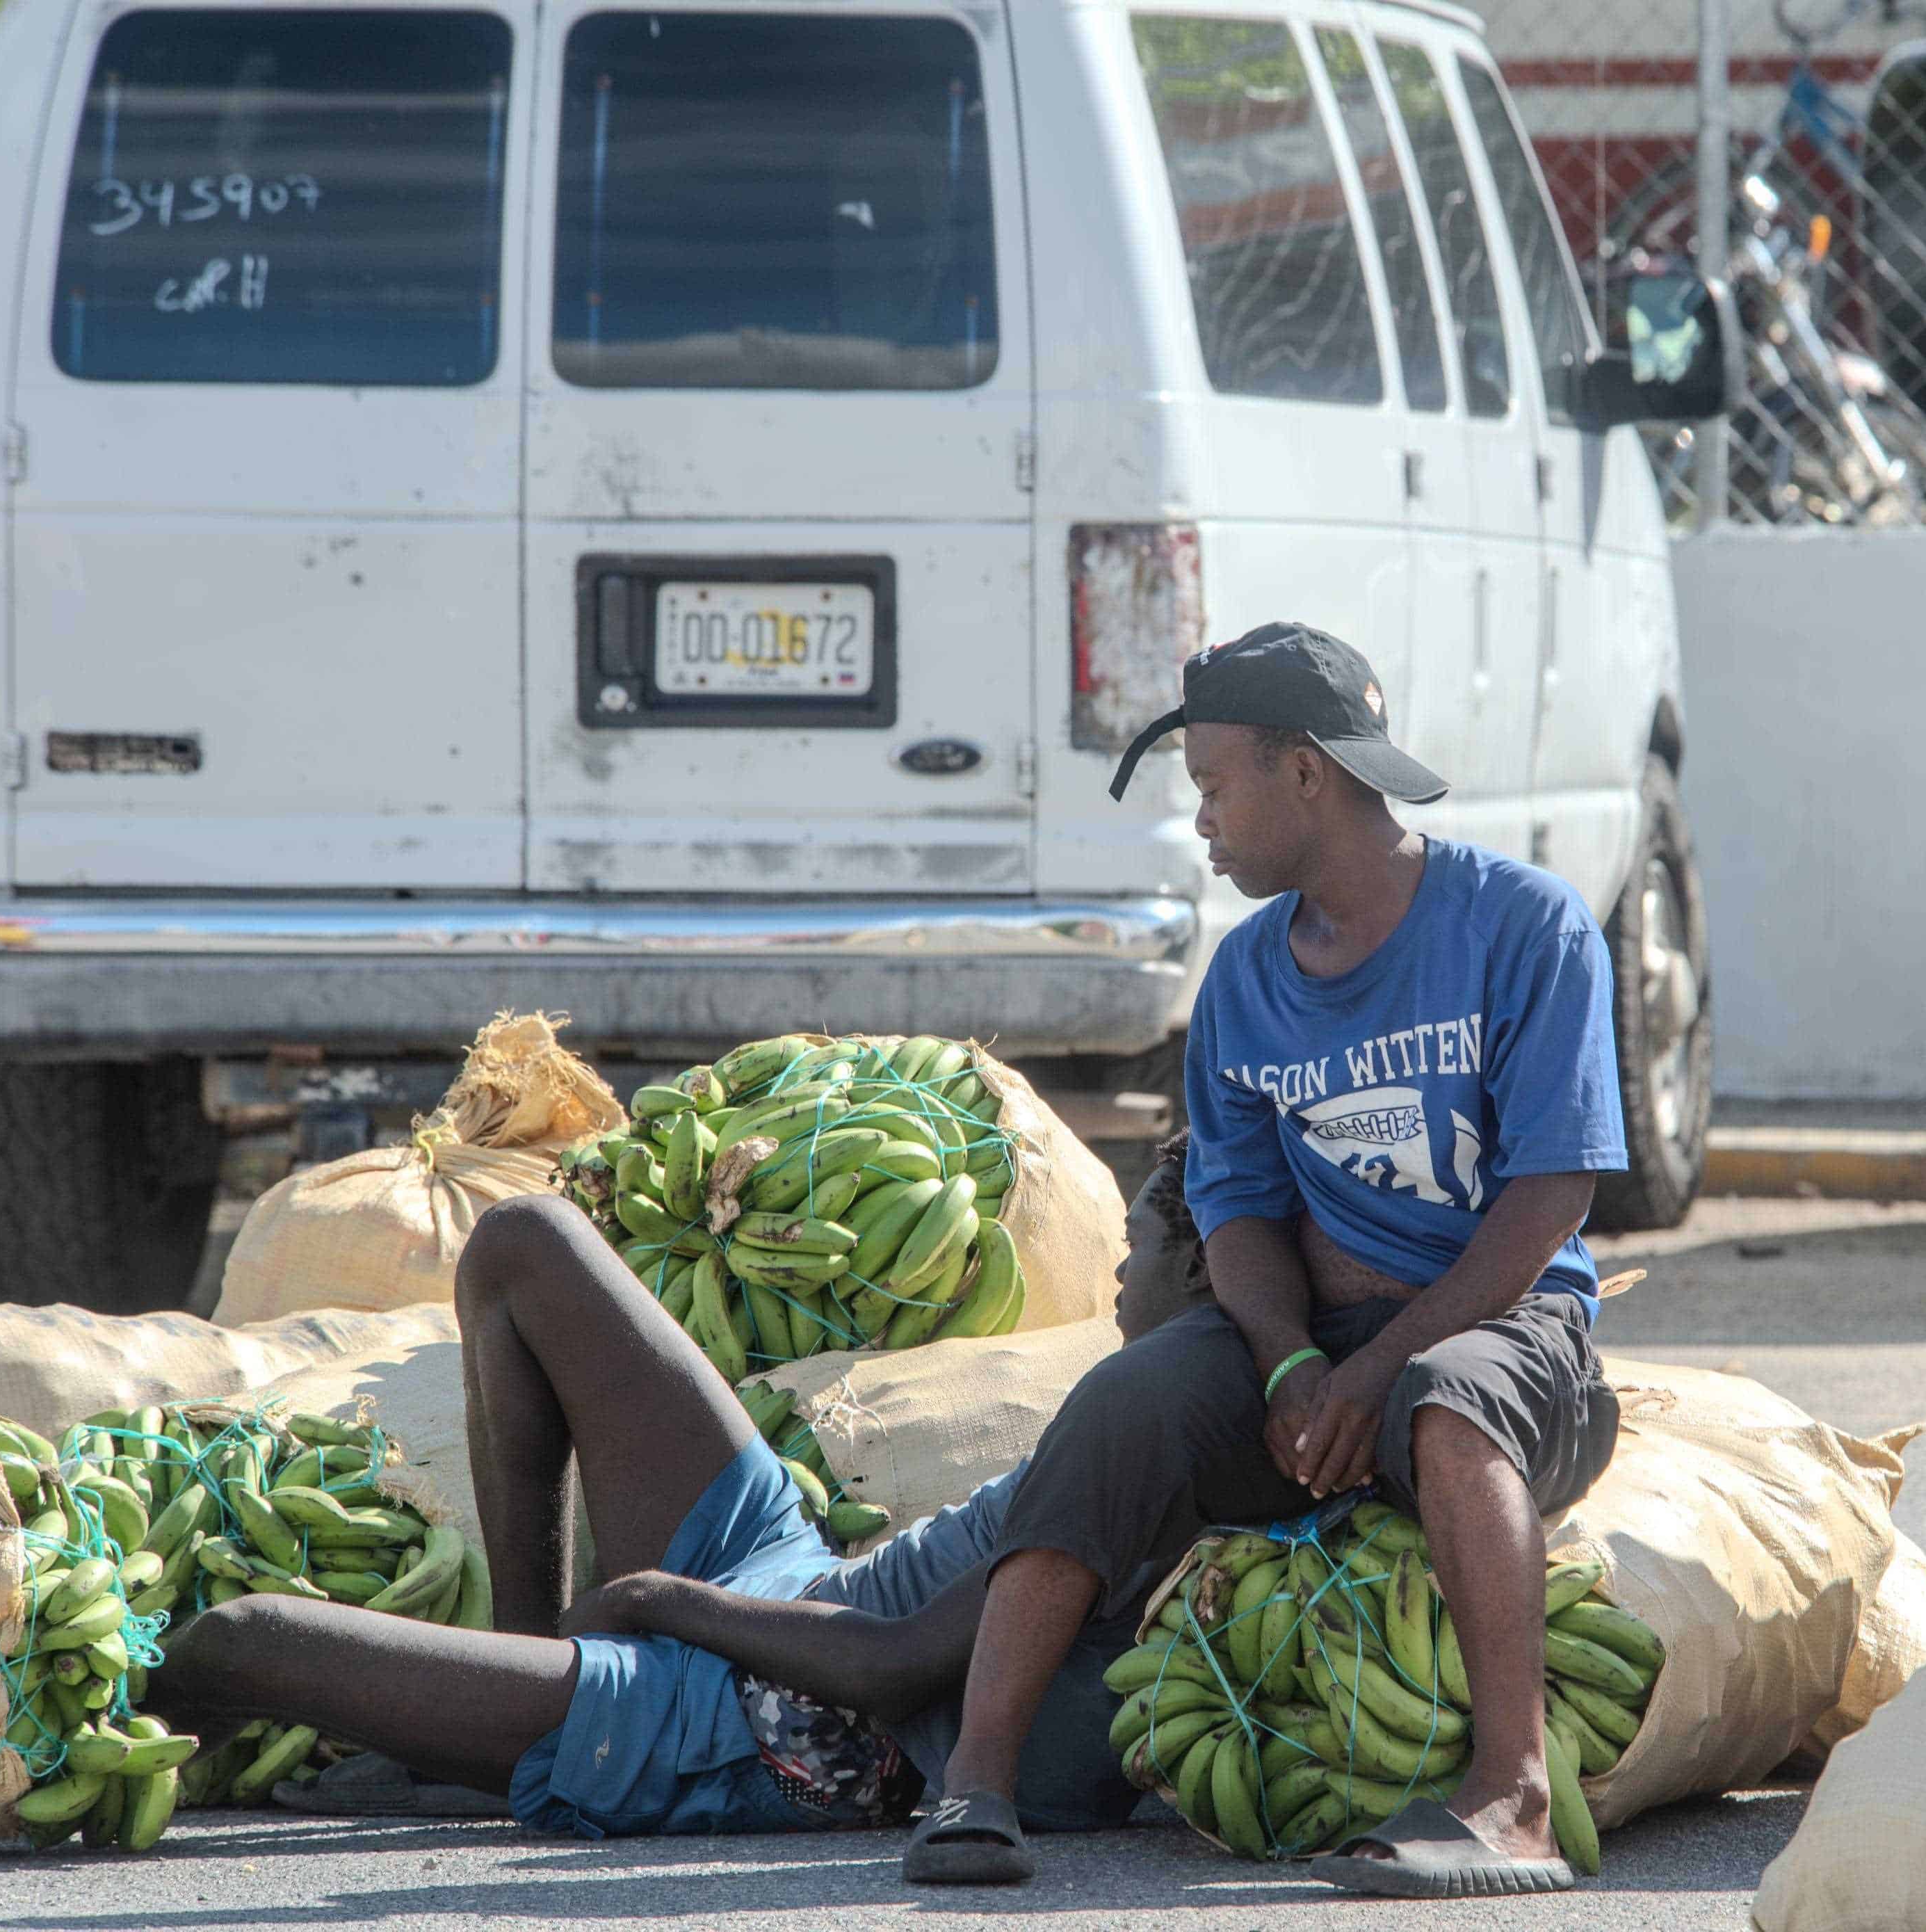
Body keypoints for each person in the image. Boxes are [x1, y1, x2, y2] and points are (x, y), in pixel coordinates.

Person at [905, 621, 1628, 1897]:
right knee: (1121, 1404)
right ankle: (977, 1779)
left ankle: (1514, 1799)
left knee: (1449, 1405)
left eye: (1213, 786)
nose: (1203, 823)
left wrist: (1384, 1366)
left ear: (1307, 772)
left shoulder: (1526, 927)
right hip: (1316, 1351)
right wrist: (1291, 1361)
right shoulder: (1244, 976)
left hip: (1510, 1338)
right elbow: (1234, 1210)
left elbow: (1549, 1195)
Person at [151, 1193, 1156, 1837]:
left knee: (245, 1640)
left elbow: (890, 1667)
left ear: (1202, 1259)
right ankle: (518, 1678)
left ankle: (47, 1726)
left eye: (1150, 1227)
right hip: (788, 1579)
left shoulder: (1147, 1435)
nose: (1120, 1261)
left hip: (776, 1728)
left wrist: (659, 1600)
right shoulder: (1155, 1394)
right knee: (521, 1244)